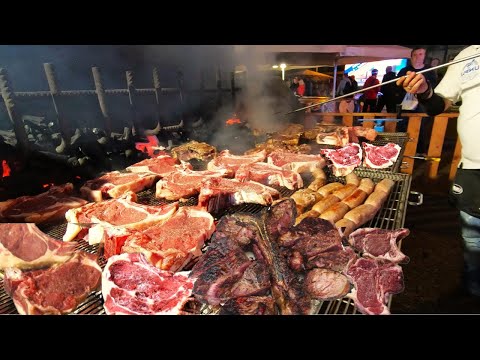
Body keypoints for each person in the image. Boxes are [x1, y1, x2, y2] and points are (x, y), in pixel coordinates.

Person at [396, 45, 480, 297]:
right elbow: (438, 105)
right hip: (474, 168)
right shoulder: (469, 55)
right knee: (473, 236)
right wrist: (424, 91)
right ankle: (474, 290)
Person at [397, 47, 437, 155]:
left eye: (420, 54)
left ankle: (419, 152)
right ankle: (401, 150)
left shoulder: (429, 71)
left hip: (422, 106)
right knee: (402, 127)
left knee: (421, 130)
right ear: (411, 57)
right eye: (414, 55)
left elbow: (434, 87)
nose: (417, 57)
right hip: (405, 106)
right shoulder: (404, 71)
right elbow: (396, 88)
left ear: (424, 56)